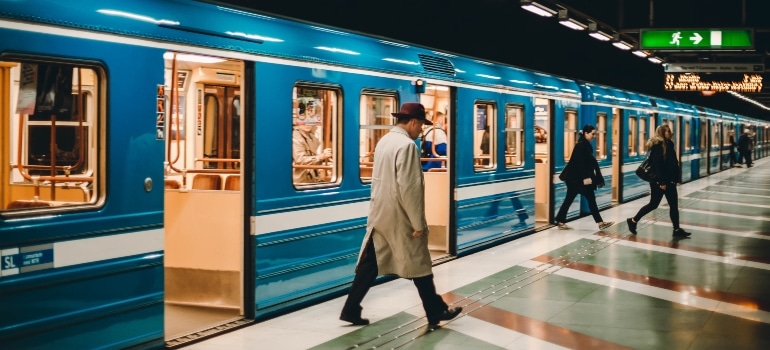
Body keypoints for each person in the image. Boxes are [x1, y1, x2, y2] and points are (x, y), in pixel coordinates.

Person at [340, 102, 462, 327]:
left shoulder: (384, 141)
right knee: (420, 264)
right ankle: (435, 311)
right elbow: (410, 188)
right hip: (400, 216)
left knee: (371, 263)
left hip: (381, 213)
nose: (420, 132)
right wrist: (418, 223)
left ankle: (350, 308)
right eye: (421, 126)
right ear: (413, 122)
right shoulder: (406, 146)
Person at [627, 125, 691, 238]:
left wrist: (675, 178)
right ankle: (633, 220)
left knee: (673, 205)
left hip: (669, 181)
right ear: (662, 133)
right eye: (668, 131)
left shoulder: (669, 144)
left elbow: (672, 162)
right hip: (659, 182)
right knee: (653, 204)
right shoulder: (657, 146)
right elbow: (658, 165)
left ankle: (676, 229)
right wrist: (661, 182)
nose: (671, 133)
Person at [555, 125, 614, 231]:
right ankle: (600, 223)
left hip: (575, 179)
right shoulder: (581, 146)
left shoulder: (584, 145)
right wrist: (586, 177)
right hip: (577, 179)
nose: (594, 136)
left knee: (570, 199)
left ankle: (560, 221)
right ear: (586, 133)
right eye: (592, 134)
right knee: (590, 200)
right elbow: (579, 164)